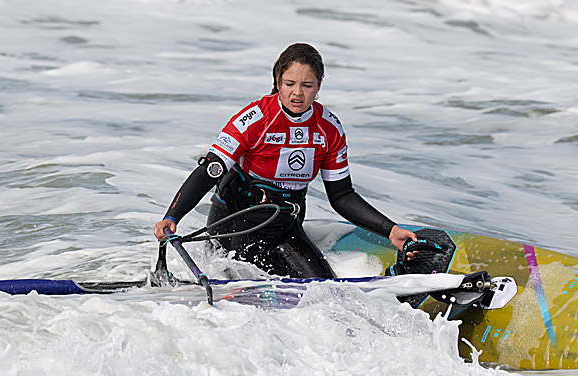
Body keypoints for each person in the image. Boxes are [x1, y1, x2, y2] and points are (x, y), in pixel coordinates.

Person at [153, 43, 418, 279]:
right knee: (239, 284)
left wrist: (389, 230)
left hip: (282, 228)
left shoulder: (329, 128)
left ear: (319, 87)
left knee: (323, 289)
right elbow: (211, 169)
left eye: (307, 85)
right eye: (290, 84)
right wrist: (172, 216)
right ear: (278, 82)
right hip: (233, 224)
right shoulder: (254, 119)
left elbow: (342, 196)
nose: (297, 94)